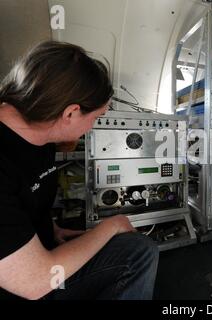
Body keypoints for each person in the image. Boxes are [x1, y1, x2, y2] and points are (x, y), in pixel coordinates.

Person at [0, 41, 159, 300]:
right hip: (27, 283)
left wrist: (50, 230)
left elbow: (25, 200)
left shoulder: (40, 133)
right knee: (138, 253)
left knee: (137, 248)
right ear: (72, 112)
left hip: (37, 255)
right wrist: (111, 226)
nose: (92, 127)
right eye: (95, 118)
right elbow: (34, 281)